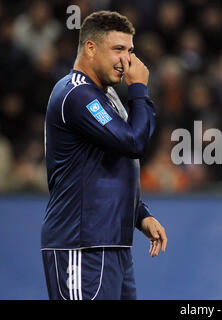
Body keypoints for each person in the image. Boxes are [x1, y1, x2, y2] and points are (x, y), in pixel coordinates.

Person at [41, 11, 167, 300]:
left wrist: (140, 215)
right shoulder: (76, 94)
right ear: (90, 48)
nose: (127, 60)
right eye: (118, 49)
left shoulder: (105, 96)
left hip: (112, 244)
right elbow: (133, 142)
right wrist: (139, 89)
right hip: (81, 244)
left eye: (130, 51)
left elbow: (111, 162)